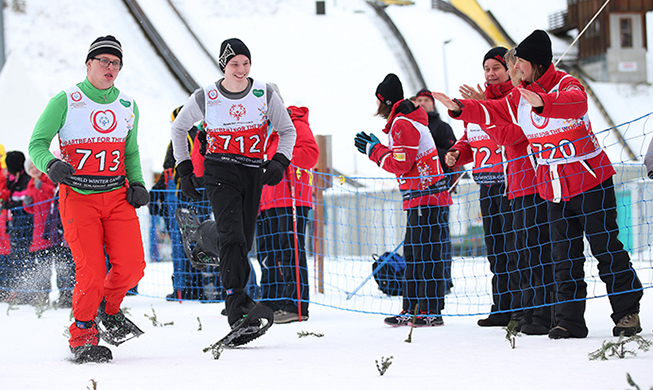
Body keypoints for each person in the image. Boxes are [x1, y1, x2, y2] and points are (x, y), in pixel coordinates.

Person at [434, 30, 644, 339]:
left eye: (519, 63)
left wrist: (543, 103)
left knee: (606, 250)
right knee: (564, 258)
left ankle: (627, 312)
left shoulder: (566, 84)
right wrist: (461, 108)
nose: (515, 68)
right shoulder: (518, 97)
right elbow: (492, 111)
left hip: (590, 182)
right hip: (553, 188)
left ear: (537, 64)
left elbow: (576, 104)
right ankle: (569, 321)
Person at [28, 35, 149, 362]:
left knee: (133, 267)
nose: (110, 67)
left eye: (116, 63)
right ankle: (82, 335)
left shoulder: (127, 105)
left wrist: (136, 182)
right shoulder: (66, 100)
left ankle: (107, 311)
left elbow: (131, 151)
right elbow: (36, 143)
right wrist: (50, 164)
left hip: (117, 194)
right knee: (92, 270)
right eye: (104, 61)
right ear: (89, 63)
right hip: (78, 197)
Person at [171, 38, 296, 333]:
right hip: (220, 171)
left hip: (252, 171)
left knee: (243, 240)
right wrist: (184, 167)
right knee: (234, 238)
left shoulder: (264, 94)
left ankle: (206, 235)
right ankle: (236, 304)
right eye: (234, 64)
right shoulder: (208, 96)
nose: (240, 70)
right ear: (223, 66)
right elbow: (179, 127)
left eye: (245, 63)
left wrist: (279, 161)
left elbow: (287, 130)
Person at [354, 73, 451, 327]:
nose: (377, 108)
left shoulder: (402, 123)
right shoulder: (409, 120)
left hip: (425, 197)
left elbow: (401, 163)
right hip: (424, 196)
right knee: (418, 253)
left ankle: (426, 310)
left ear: (384, 102)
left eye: (378, 102)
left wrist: (373, 151)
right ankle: (415, 308)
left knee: (423, 255)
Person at [444, 47, 520, 328]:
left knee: (516, 249)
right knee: (496, 251)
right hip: (487, 186)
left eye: (496, 68)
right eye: (486, 69)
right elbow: (470, 139)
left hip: (513, 184)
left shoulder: (514, 98)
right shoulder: (477, 105)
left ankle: (520, 307)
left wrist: (484, 107)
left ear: (508, 70)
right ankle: (502, 306)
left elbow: (514, 131)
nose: (490, 74)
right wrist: (456, 153)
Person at [257, 86, 319, 324]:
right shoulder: (263, 131)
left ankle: (296, 305)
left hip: (290, 198)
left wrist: (281, 158)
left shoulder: (294, 125)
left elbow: (311, 155)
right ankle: (273, 300)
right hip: (267, 200)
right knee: (269, 252)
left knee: (289, 250)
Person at [150, 106, 217, 301]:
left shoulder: (180, 139)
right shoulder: (200, 135)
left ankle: (186, 288)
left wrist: (157, 192)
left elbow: (170, 170)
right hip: (202, 197)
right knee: (202, 240)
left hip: (183, 198)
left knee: (184, 243)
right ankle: (203, 287)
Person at [414, 88, 457, 293]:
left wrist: (428, 152)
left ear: (432, 104)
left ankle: (444, 278)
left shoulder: (442, 128)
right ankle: (421, 280)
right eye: (418, 100)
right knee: (419, 239)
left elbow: (453, 153)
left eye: (426, 100)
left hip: (440, 189)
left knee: (440, 236)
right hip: (417, 190)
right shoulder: (412, 126)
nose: (422, 103)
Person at [22, 158, 58, 305]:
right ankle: (42, 295)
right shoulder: (30, 185)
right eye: (30, 169)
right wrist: (26, 204)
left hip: (50, 227)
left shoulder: (48, 179)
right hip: (39, 229)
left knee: (57, 264)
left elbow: (52, 195)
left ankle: (65, 293)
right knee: (43, 266)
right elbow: (31, 210)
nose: (33, 170)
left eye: (34, 167)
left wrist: (42, 186)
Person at [0, 151, 34, 304]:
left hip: (28, 226)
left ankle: (30, 292)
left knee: (27, 258)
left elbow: (27, 202)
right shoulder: (14, 181)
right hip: (16, 227)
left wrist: (12, 205)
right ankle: (20, 291)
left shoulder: (26, 180)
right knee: (18, 258)